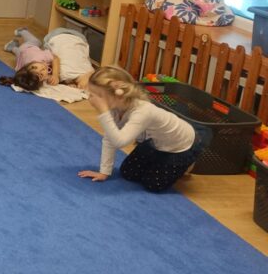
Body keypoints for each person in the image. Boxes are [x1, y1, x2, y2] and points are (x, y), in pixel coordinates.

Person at [78, 66, 210, 192]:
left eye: (97, 95)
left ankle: (187, 164)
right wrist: (104, 172)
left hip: (181, 146)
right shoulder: (115, 108)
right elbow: (110, 139)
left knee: (153, 184)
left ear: (117, 94)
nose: (91, 99)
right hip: (155, 142)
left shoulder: (143, 111)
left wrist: (103, 111)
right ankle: (161, 161)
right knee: (128, 173)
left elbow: (120, 141)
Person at [0, 27, 93, 91]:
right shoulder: (28, 75)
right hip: (22, 57)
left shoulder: (39, 57)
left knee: (36, 42)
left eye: (35, 67)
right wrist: (68, 84)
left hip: (29, 47)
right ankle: (12, 47)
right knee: (19, 53)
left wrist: (55, 75)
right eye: (40, 75)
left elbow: (55, 58)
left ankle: (22, 31)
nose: (42, 69)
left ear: (29, 65)